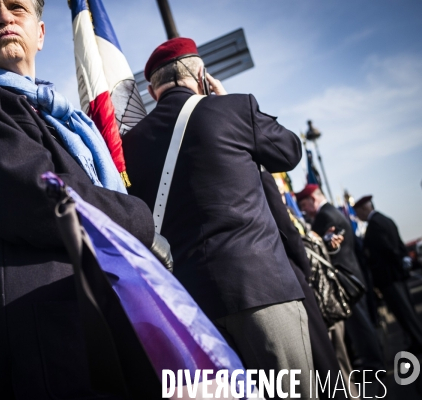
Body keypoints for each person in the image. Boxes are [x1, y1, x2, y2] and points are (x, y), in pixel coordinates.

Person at [0, 0, 166, 398]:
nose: (5, 16)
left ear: (40, 34)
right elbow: (46, 200)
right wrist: (144, 222)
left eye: (17, 7)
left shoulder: (61, 120)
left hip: (95, 330)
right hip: (42, 354)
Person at [123, 37, 315, 399]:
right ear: (202, 73)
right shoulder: (235, 109)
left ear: (152, 89)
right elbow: (289, 151)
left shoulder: (130, 144)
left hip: (191, 311)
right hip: (262, 289)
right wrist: (225, 101)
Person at [260, 171, 351, 399]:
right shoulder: (260, 177)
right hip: (296, 281)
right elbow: (291, 237)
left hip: (307, 285)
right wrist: (306, 271)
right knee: (324, 358)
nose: (284, 194)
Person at [296, 185, 385, 379]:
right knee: (361, 324)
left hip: (344, 280)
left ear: (313, 198)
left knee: (360, 326)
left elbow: (327, 248)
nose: (302, 209)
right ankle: (373, 362)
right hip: (350, 276)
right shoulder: (330, 213)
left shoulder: (325, 216)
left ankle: (374, 367)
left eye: (303, 203)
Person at [353, 195, 422, 353]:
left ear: (365, 209)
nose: (357, 216)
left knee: (404, 312)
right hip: (397, 275)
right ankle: (415, 339)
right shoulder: (385, 219)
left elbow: (386, 250)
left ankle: (417, 341)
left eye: (358, 212)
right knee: (408, 310)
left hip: (389, 277)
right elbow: (398, 243)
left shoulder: (375, 225)